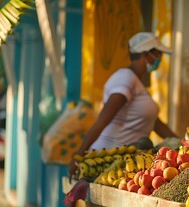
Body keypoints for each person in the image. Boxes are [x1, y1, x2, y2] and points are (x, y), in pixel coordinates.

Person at [68, 32, 178, 181]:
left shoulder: (137, 84)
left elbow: (156, 124)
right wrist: (79, 155)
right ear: (146, 54)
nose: (159, 59)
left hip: (126, 162)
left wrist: (183, 143)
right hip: (106, 162)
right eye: (158, 54)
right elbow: (103, 120)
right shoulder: (125, 78)